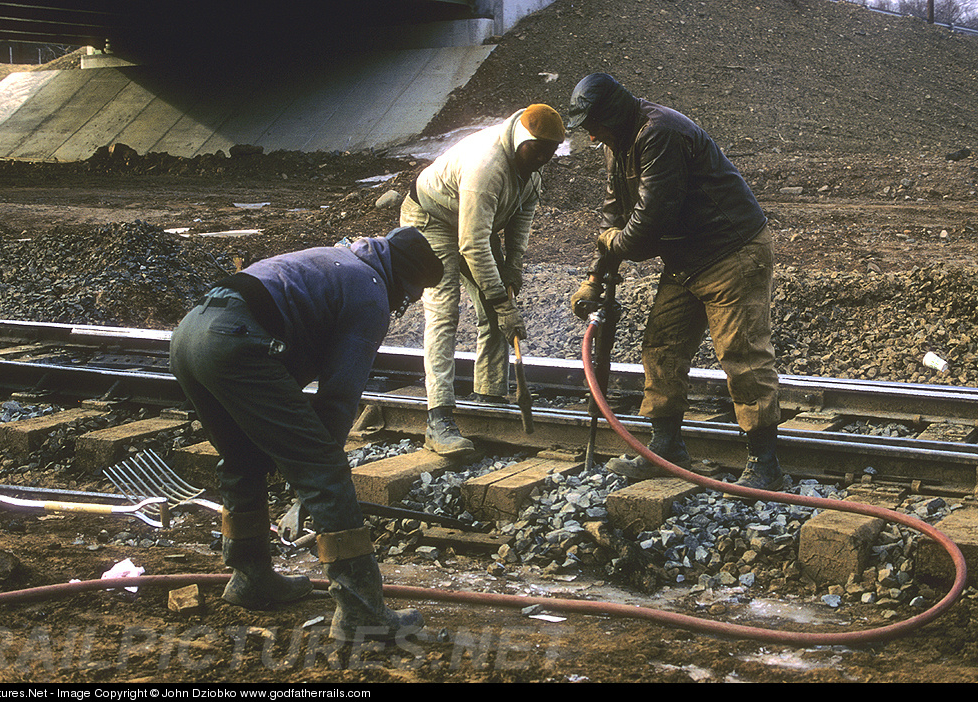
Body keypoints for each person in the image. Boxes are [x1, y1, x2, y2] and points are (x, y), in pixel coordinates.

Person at [169, 227, 443, 642]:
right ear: (401, 278)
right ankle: (361, 612)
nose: (401, 306)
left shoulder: (340, 260)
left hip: (189, 336)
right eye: (407, 297)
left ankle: (251, 576)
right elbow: (338, 398)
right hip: (233, 342)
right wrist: (312, 481)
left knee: (242, 458)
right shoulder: (371, 290)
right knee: (326, 468)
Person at [566, 73, 785, 491]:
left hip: (730, 250)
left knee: (741, 354)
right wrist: (595, 276)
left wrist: (612, 243)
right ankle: (666, 448)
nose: (591, 137)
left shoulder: (659, 133)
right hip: (686, 258)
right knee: (662, 346)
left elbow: (646, 227)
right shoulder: (617, 143)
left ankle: (766, 465)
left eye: (593, 126)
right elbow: (614, 217)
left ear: (612, 114)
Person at [400, 103, 565, 456]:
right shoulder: (486, 167)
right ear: (521, 140)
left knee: (494, 310)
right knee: (444, 311)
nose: (542, 159)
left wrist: (512, 270)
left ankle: (488, 395)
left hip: (472, 223)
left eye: (550, 153)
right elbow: (472, 244)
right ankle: (438, 418)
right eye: (538, 151)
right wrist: (503, 302)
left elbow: (522, 218)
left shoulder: (532, 168)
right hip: (431, 219)